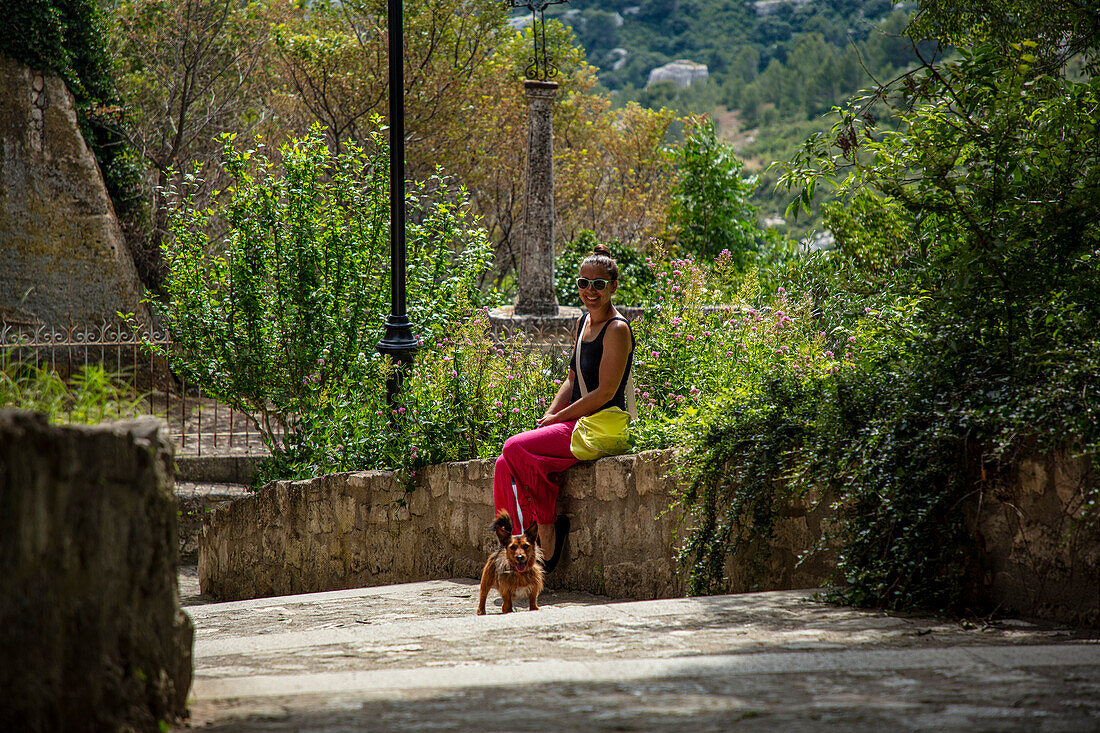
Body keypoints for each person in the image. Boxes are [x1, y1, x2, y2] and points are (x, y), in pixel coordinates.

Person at [492, 244, 636, 572]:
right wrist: (548, 419)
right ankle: (519, 550)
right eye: (583, 283)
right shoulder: (583, 322)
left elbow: (604, 393)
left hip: (599, 425)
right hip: (575, 424)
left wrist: (560, 417)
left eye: (598, 284)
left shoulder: (617, 329)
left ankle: (547, 525)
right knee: (504, 464)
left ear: (613, 287)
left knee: (512, 446)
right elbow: (571, 381)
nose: (590, 291)